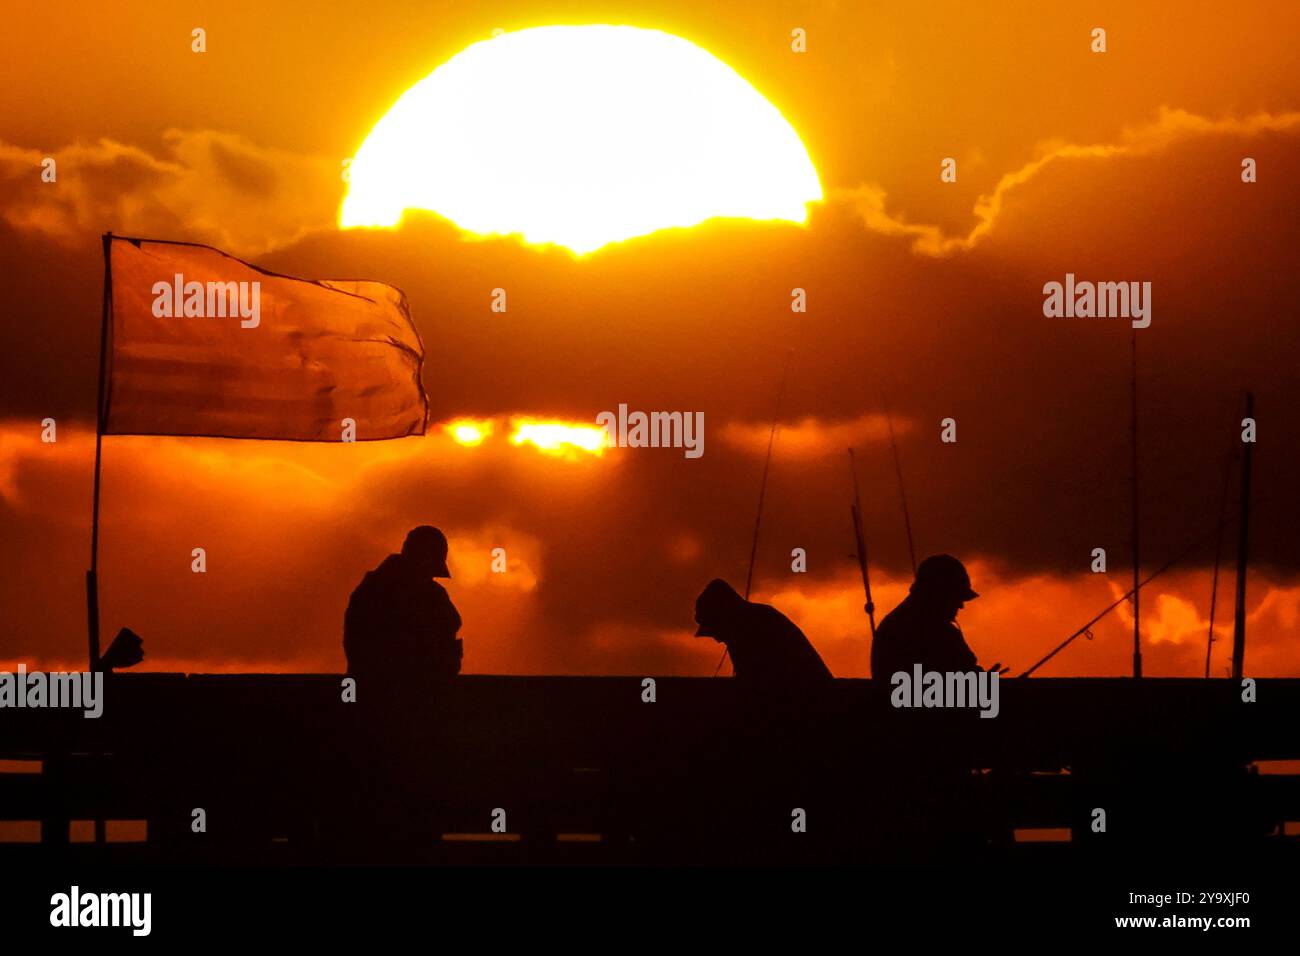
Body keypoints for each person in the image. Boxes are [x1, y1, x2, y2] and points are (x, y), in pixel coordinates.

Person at [343, 526, 462, 689]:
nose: (431, 575)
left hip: (376, 688)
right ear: (426, 559)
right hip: (407, 690)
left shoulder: (370, 588)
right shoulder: (429, 595)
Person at [870, 554, 1005, 678]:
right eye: (956, 597)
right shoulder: (935, 631)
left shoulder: (895, 623)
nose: (960, 606)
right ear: (939, 594)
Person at [694, 579, 833, 689]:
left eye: (714, 630)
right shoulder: (754, 620)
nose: (717, 639)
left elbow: (754, 684)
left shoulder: (748, 630)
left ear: (723, 618)